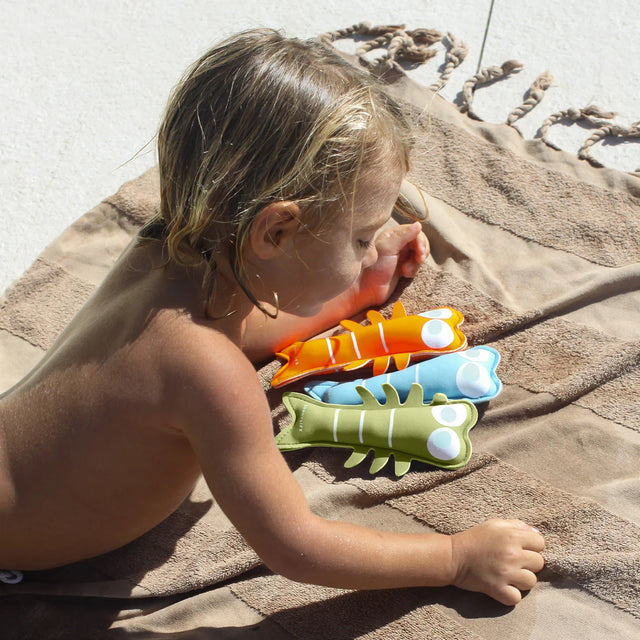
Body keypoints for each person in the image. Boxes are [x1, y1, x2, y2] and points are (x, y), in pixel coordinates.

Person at [0, 29, 544, 606]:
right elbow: (294, 545)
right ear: (277, 231)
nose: (370, 250)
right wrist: (455, 557)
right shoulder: (211, 376)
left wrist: (354, 294)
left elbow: (231, 327)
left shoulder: (160, 248)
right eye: (361, 238)